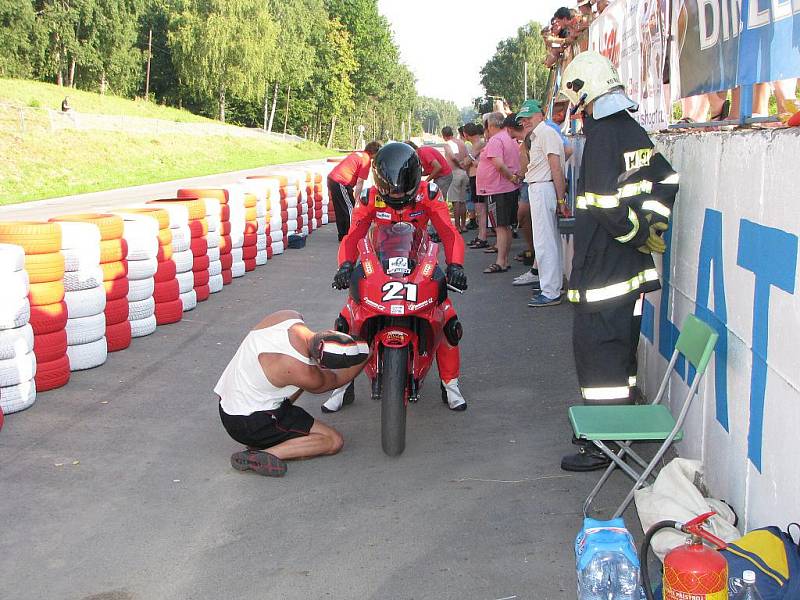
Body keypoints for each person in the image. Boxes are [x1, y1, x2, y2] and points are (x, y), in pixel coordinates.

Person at [558, 52, 678, 471]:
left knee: (597, 356)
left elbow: (607, 208)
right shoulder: (630, 130)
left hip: (605, 273)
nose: (574, 104)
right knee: (621, 356)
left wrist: (636, 232)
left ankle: (603, 445)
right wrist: (652, 226)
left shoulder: (604, 137)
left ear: (585, 90)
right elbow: (668, 178)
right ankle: (617, 426)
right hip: (628, 272)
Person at [328, 142, 468, 412]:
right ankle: (341, 386)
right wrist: (345, 265)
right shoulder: (369, 197)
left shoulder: (430, 193)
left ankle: (450, 385)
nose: (396, 193)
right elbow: (353, 235)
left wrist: (456, 266)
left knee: (448, 320)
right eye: (390, 188)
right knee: (346, 320)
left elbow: (449, 233)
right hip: (378, 266)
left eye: (402, 187)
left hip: (419, 264)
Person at [214, 310, 370, 477]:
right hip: (251, 423)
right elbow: (337, 379)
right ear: (321, 364)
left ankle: (266, 440)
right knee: (333, 441)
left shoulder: (287, 317)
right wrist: (368, 354)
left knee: (295, 383)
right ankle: (264, 454)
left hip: (228, 404)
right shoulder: (304, 373)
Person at [516, 99, 567, 307]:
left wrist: (561, 198)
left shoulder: (545, 133)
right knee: (546, 241)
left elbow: (556, 167)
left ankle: (551, 290)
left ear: (540, 115)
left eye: (529, 117)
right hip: (540, 187)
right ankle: (551, 286)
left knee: (545, 242)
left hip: (543, 187)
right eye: (523, 119)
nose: (525, 122)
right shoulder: (539, 134)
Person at [476, 111, 521, 273]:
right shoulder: (509, 139)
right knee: (505, 225)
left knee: (500, 226)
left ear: (491, 125)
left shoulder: (496, 140)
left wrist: (511, 178)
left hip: (498, 188)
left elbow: (499, 164)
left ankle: (501, 261)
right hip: (505, 188)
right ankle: (504, 259)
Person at [327, 141, 382, 240]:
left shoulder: (359, 153)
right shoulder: (366, 160)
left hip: (333, 178)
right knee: (351, 209)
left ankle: (343, 234)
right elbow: (360, 182)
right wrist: (357, 199)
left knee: (340, 209)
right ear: (374, 153)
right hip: (341, 181)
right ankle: (351, 234)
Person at [463, 122, 488, 246]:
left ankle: (482, 237)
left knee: (480, 209)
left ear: (466, 134)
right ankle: (480, 235)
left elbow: (466, 162)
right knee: (479, 208)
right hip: (475, 178)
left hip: (478, 178)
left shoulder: (479, 144)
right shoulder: (477, 144)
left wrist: (469, 160)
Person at [442, 126, 470, 232]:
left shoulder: (447, 144)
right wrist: (464, 167)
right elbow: (468, 156)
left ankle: (457, 226)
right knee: (463, 201)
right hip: (464, 173)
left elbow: (453, 157)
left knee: (456, 201)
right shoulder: (461, 142)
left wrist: (459, 165)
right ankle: (464, 225)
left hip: (454, 173)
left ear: (444, 136)